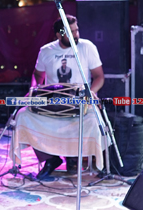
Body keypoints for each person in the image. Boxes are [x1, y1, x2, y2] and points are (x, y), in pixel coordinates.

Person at [12, 14, 105, 180]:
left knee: (92, 120)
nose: (76, 35)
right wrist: (34, 89)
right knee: (23, 115)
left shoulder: (87, 47)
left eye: (77, 30)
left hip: (79, 102)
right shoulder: (46, 51)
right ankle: (50, 158)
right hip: (52, 101)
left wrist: (91, 92)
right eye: (71, 32)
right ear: (59, 35)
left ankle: (73, 158)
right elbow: (38, 75)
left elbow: (99, 77)